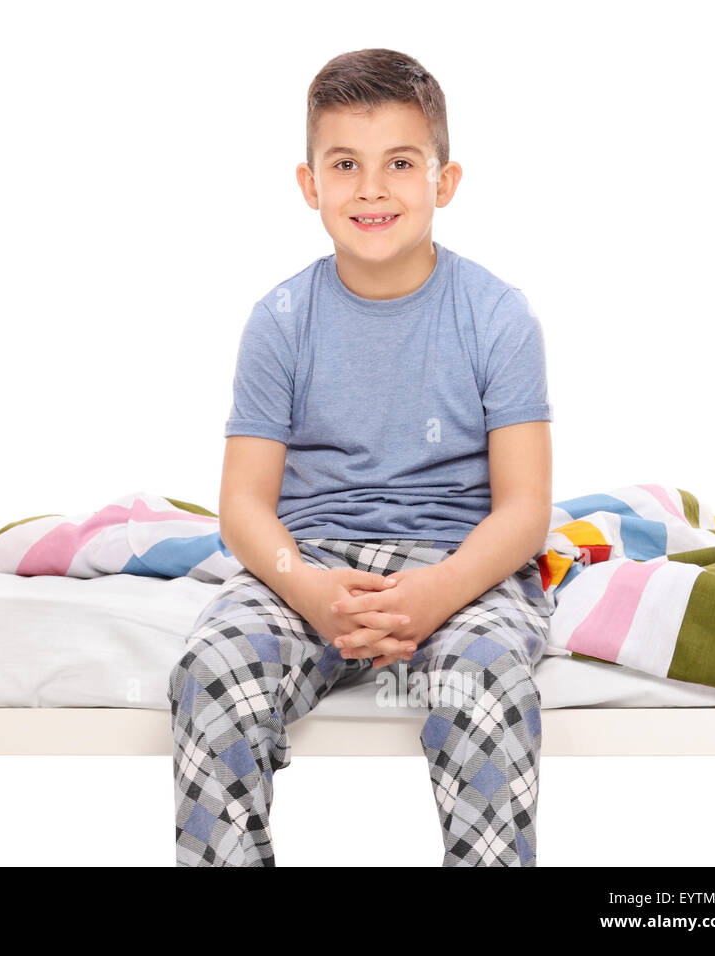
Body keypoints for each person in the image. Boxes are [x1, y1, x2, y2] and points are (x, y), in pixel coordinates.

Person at [168, 48, 556, 867]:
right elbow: (244, 505)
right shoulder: (280, 320)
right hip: (310, 563)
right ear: (310, 185)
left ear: (443, 182)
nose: (372, 188)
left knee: (487, 680)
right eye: (345, 164)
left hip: (460, 566)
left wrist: (437, 592)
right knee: (214, 670)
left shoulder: (498, 316)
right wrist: (308, 590)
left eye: (400, 163)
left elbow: (524, 509)